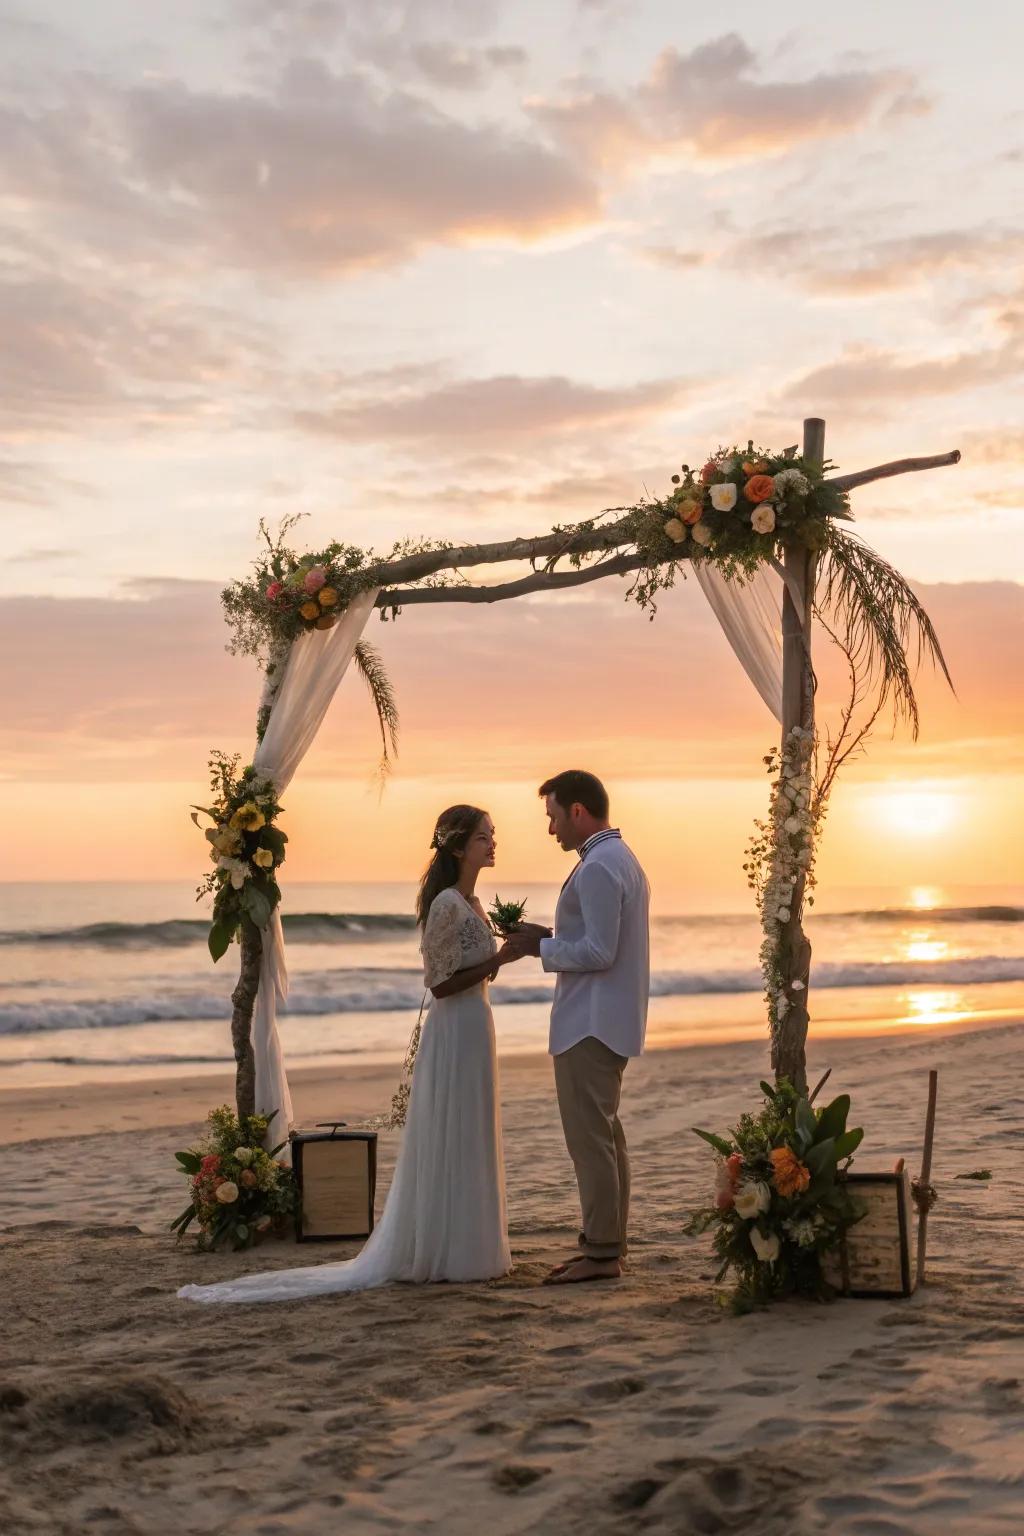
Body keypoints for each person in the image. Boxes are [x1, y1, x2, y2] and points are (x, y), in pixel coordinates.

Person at [179, 805, 519, 1304]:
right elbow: (440, 985)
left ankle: (471, 1244)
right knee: (456, 1128)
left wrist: (503, 954)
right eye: (485, 837)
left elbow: (478, 972)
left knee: (472, 1128)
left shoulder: (473, 902)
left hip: (475, 1026)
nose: (494, 844)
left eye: (493, 836)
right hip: (454, 1029)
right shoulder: (447, 904)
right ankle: (451, 1250)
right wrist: (500, 957)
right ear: (456, 846)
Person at [509, 770, 650, 1286]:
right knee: (606, 1138)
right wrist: (547, 935)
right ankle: (606, 1244)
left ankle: (603, 1252)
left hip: (589, 1022)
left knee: (591, 1140)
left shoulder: (598, 866)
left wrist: (537, 949)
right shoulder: (618, 858)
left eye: (551, 816)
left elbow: (598, 952)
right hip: (607, 1016)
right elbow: (597, 937)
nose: (550, 830)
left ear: (577, 811)